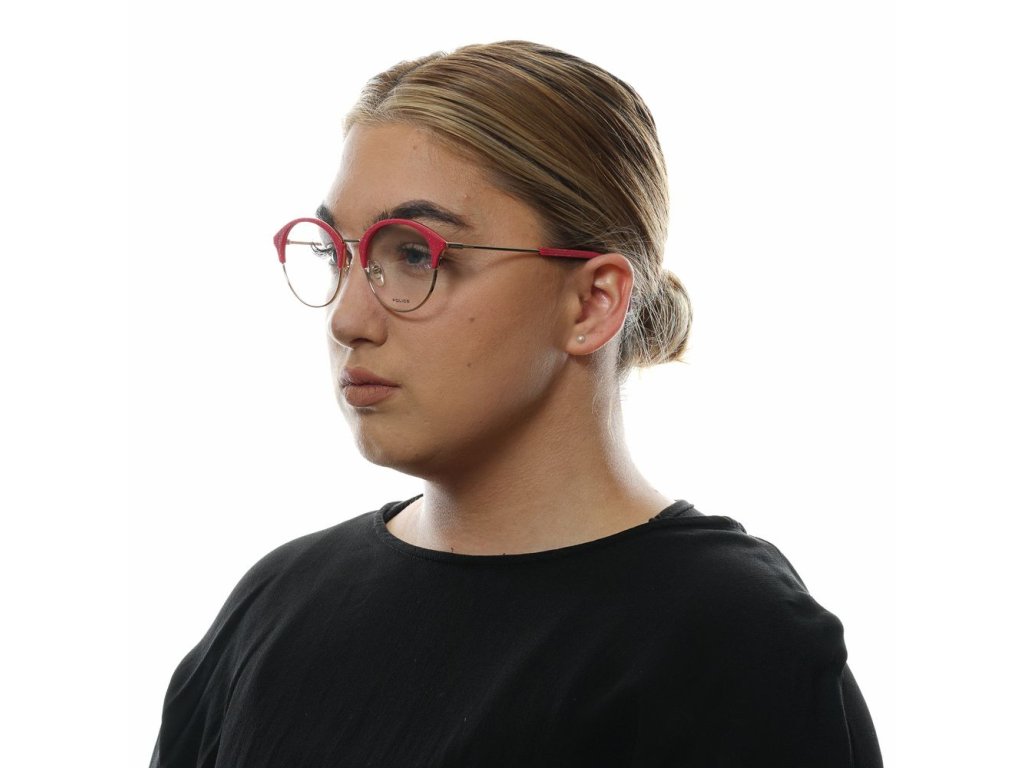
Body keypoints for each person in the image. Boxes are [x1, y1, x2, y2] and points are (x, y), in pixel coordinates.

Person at [150, 40, 883, 767]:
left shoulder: (731, 642)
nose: (347, 319)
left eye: (414, 254)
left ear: (592, 303)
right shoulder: (276, 605)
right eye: (338, 255)